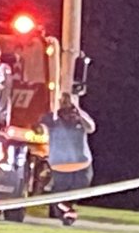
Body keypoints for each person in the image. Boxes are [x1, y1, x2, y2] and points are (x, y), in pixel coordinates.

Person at [37, 94, 95, 226]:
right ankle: (66, 213)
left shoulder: (80, 119)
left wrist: (78, 111)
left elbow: (91, 128)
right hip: (61, 165)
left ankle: (67, 209)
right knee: (60, 193)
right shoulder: (52, 119)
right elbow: (42, 127)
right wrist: (41, 128)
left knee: (80, 190)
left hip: (82, 163)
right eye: (63, 102)